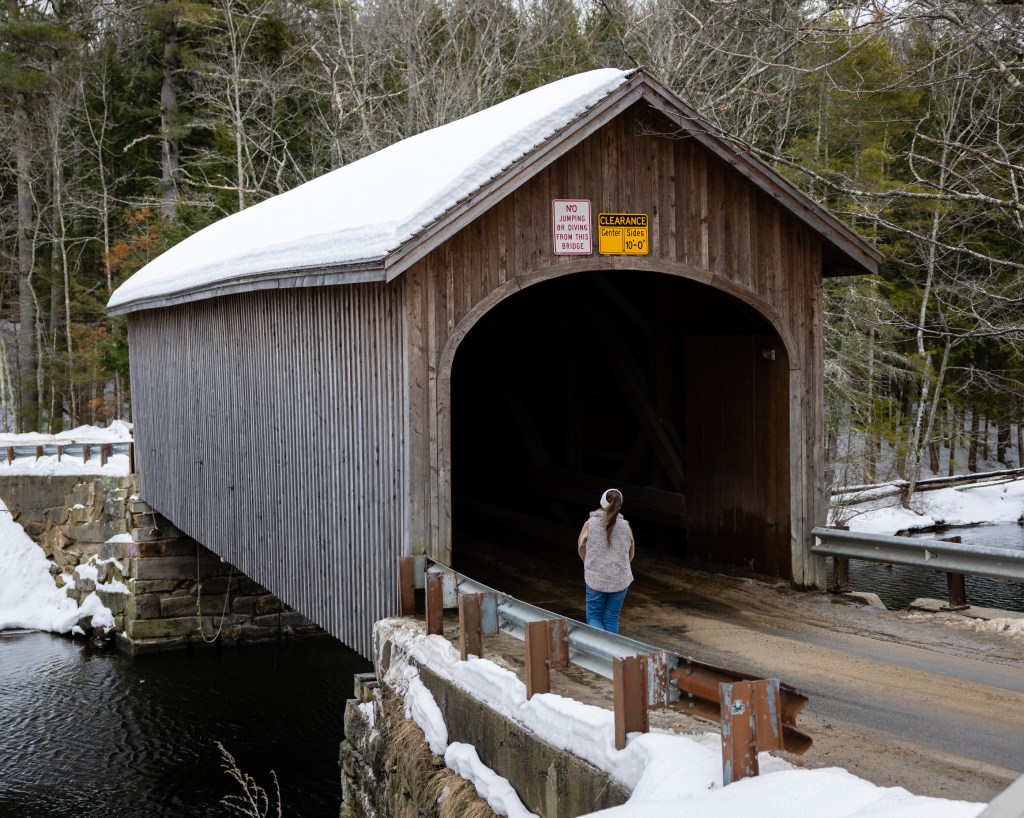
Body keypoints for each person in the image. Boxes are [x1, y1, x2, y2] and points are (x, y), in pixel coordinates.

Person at [577, 488, 634, 633]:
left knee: (594, 618)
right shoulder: (626, 526)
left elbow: (581, 548)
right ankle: (611, 653)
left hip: (595, 578)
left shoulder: (590, 523)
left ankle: (600, 653)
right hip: (620, 578)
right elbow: (630, 553)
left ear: (601, 502)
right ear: (620, 505)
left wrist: (590, 564)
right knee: (611, 619)